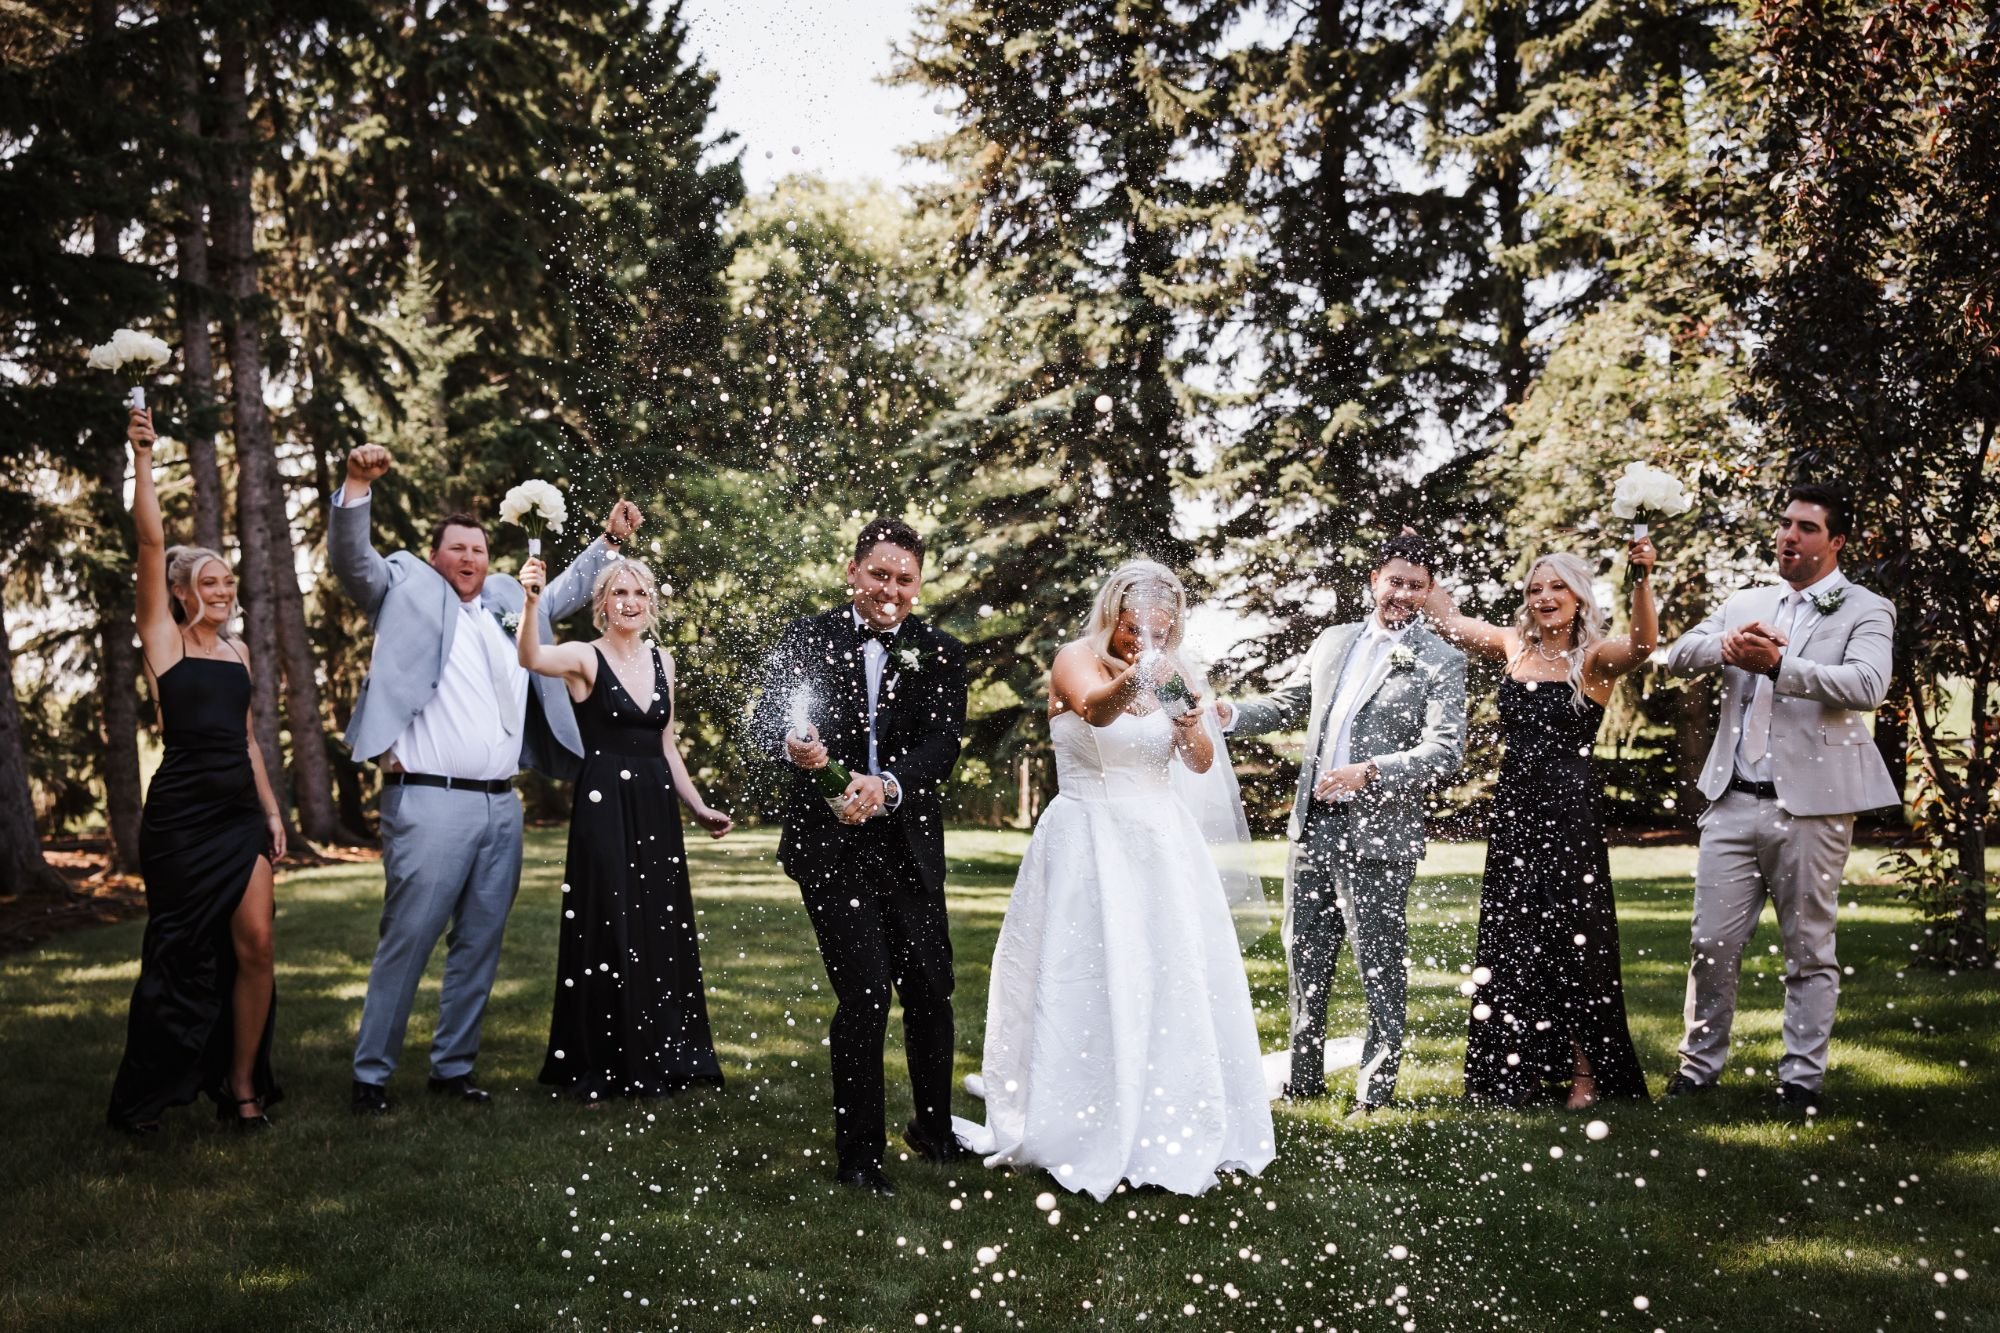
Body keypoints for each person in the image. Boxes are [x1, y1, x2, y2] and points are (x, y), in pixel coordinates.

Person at [327, 444, 639, 1113]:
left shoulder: (505, 597)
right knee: (408, 939)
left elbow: (561, 594)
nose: (469, 558)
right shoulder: (403, 587)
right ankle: (371, 1075)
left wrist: (609, 542)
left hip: (502, 806)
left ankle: (453, 1066)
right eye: (457, 549)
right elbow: (352, 562)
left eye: (477, 548)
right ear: (435, 555)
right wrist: (355, 484)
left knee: (480, 941)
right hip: (429, 800)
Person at [951, 561, 1275, 1201]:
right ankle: (1079, 1114)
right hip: (1087, 839)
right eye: (1133, 627)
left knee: (1167, 973)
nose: (1144, 638)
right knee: (1084, 971)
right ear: (1112, 615)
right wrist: (1143, 673)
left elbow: (1199, 761)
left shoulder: (1175, 671)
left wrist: (1190, 722)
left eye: (1159, 629)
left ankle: (1164, 1115)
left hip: (1161, 843)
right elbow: (1097, 712)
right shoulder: (1076, 658)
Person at [749, 517, 968, 1196]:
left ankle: (934, 1129)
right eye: (879, 574)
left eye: (904, 579)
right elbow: (765, 722)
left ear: (919, 583)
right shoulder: (806, 637)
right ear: (852, 571)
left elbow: (942, 745)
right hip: (831, 849)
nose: (890, 589)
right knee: (867, 993)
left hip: (907, 847)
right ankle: (860, 1157)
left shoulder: (939, 651)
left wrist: (887, 785)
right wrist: (794, 746)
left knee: (930, 990)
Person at [1664, 482, 1896, 1113]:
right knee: (1711, 944)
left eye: (1806, 528)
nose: (1788, 536)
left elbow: (1867, 684)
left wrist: (1777, 665)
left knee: (1808, 950)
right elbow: (1677, 655)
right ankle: (1697, 1069)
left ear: (1836, 541)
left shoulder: (1866, 608)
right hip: (1731, 801)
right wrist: (1726, 646)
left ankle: (1800, 1080)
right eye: (1785, 524)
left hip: (1814, 807)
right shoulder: (1746, 601)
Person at [1217, 533, 1467, 1118]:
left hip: (1381, 836)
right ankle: (1303, 1083)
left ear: (1429, 591)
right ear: (1375, 580)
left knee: (1379, 962)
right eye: (1394, 581)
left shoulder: (1441, 659)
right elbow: (1287, 703)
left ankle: (1374, 1094)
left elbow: (1446, 750)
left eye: (1416, 586)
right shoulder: (1334, 640)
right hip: (1312, 827)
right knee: (1304, 956)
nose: (1402, 594)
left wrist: (1371, 772)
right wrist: (1232, 714)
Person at [1424, 540, 1660, 1109]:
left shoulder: (1595, 658)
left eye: (1558, 587)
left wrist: (1641, 578)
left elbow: (1644, 645)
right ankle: (1517, 1070)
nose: (1545, 596)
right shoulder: (1513, 645)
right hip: (1515, 812)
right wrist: (1417, 558)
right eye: (1535, 588)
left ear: (1579, 598)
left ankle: (1585, 1074)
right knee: (1513, 939)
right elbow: (1448, 619)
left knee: (1573, 939)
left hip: (1570, 815)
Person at [107, 406, 285, 1134]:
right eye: (209, 581)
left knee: (257, 944)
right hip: (180, 821)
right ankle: (149, 1093)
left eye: (228, 580)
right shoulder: (164, 641)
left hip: (239, 816)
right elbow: (151, 540)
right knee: (178, 955)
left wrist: (270, 811)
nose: (222, 589)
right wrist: (144, 457)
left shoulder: (238, 652)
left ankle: (240, 1086)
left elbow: (247, 739)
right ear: (181, 591)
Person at [515, 554, 733, 1103]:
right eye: (619, 592)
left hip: (655, 803)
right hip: (604, 803)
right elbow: (531, 656)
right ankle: (608, 1058)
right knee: (611, 922)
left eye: (639, 593)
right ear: (602, 603)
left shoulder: (664, 660)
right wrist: (532, 602)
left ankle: (668, 1052)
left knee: (659, 924)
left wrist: (697, 806)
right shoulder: (583, 657)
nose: (630, 602)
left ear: (650, 602)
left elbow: (666, 745)